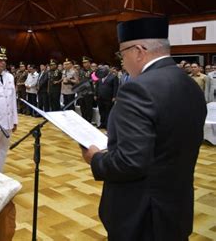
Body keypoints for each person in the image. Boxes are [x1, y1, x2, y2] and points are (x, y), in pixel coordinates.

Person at [81, 17, 207, 240]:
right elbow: (168, 137)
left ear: (138, 51)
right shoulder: (189, 84)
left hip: (141, 214)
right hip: (176, 206)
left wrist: (96, 159)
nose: (122, 61)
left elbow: (131, 162)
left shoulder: (138, 89)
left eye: (122, 53)